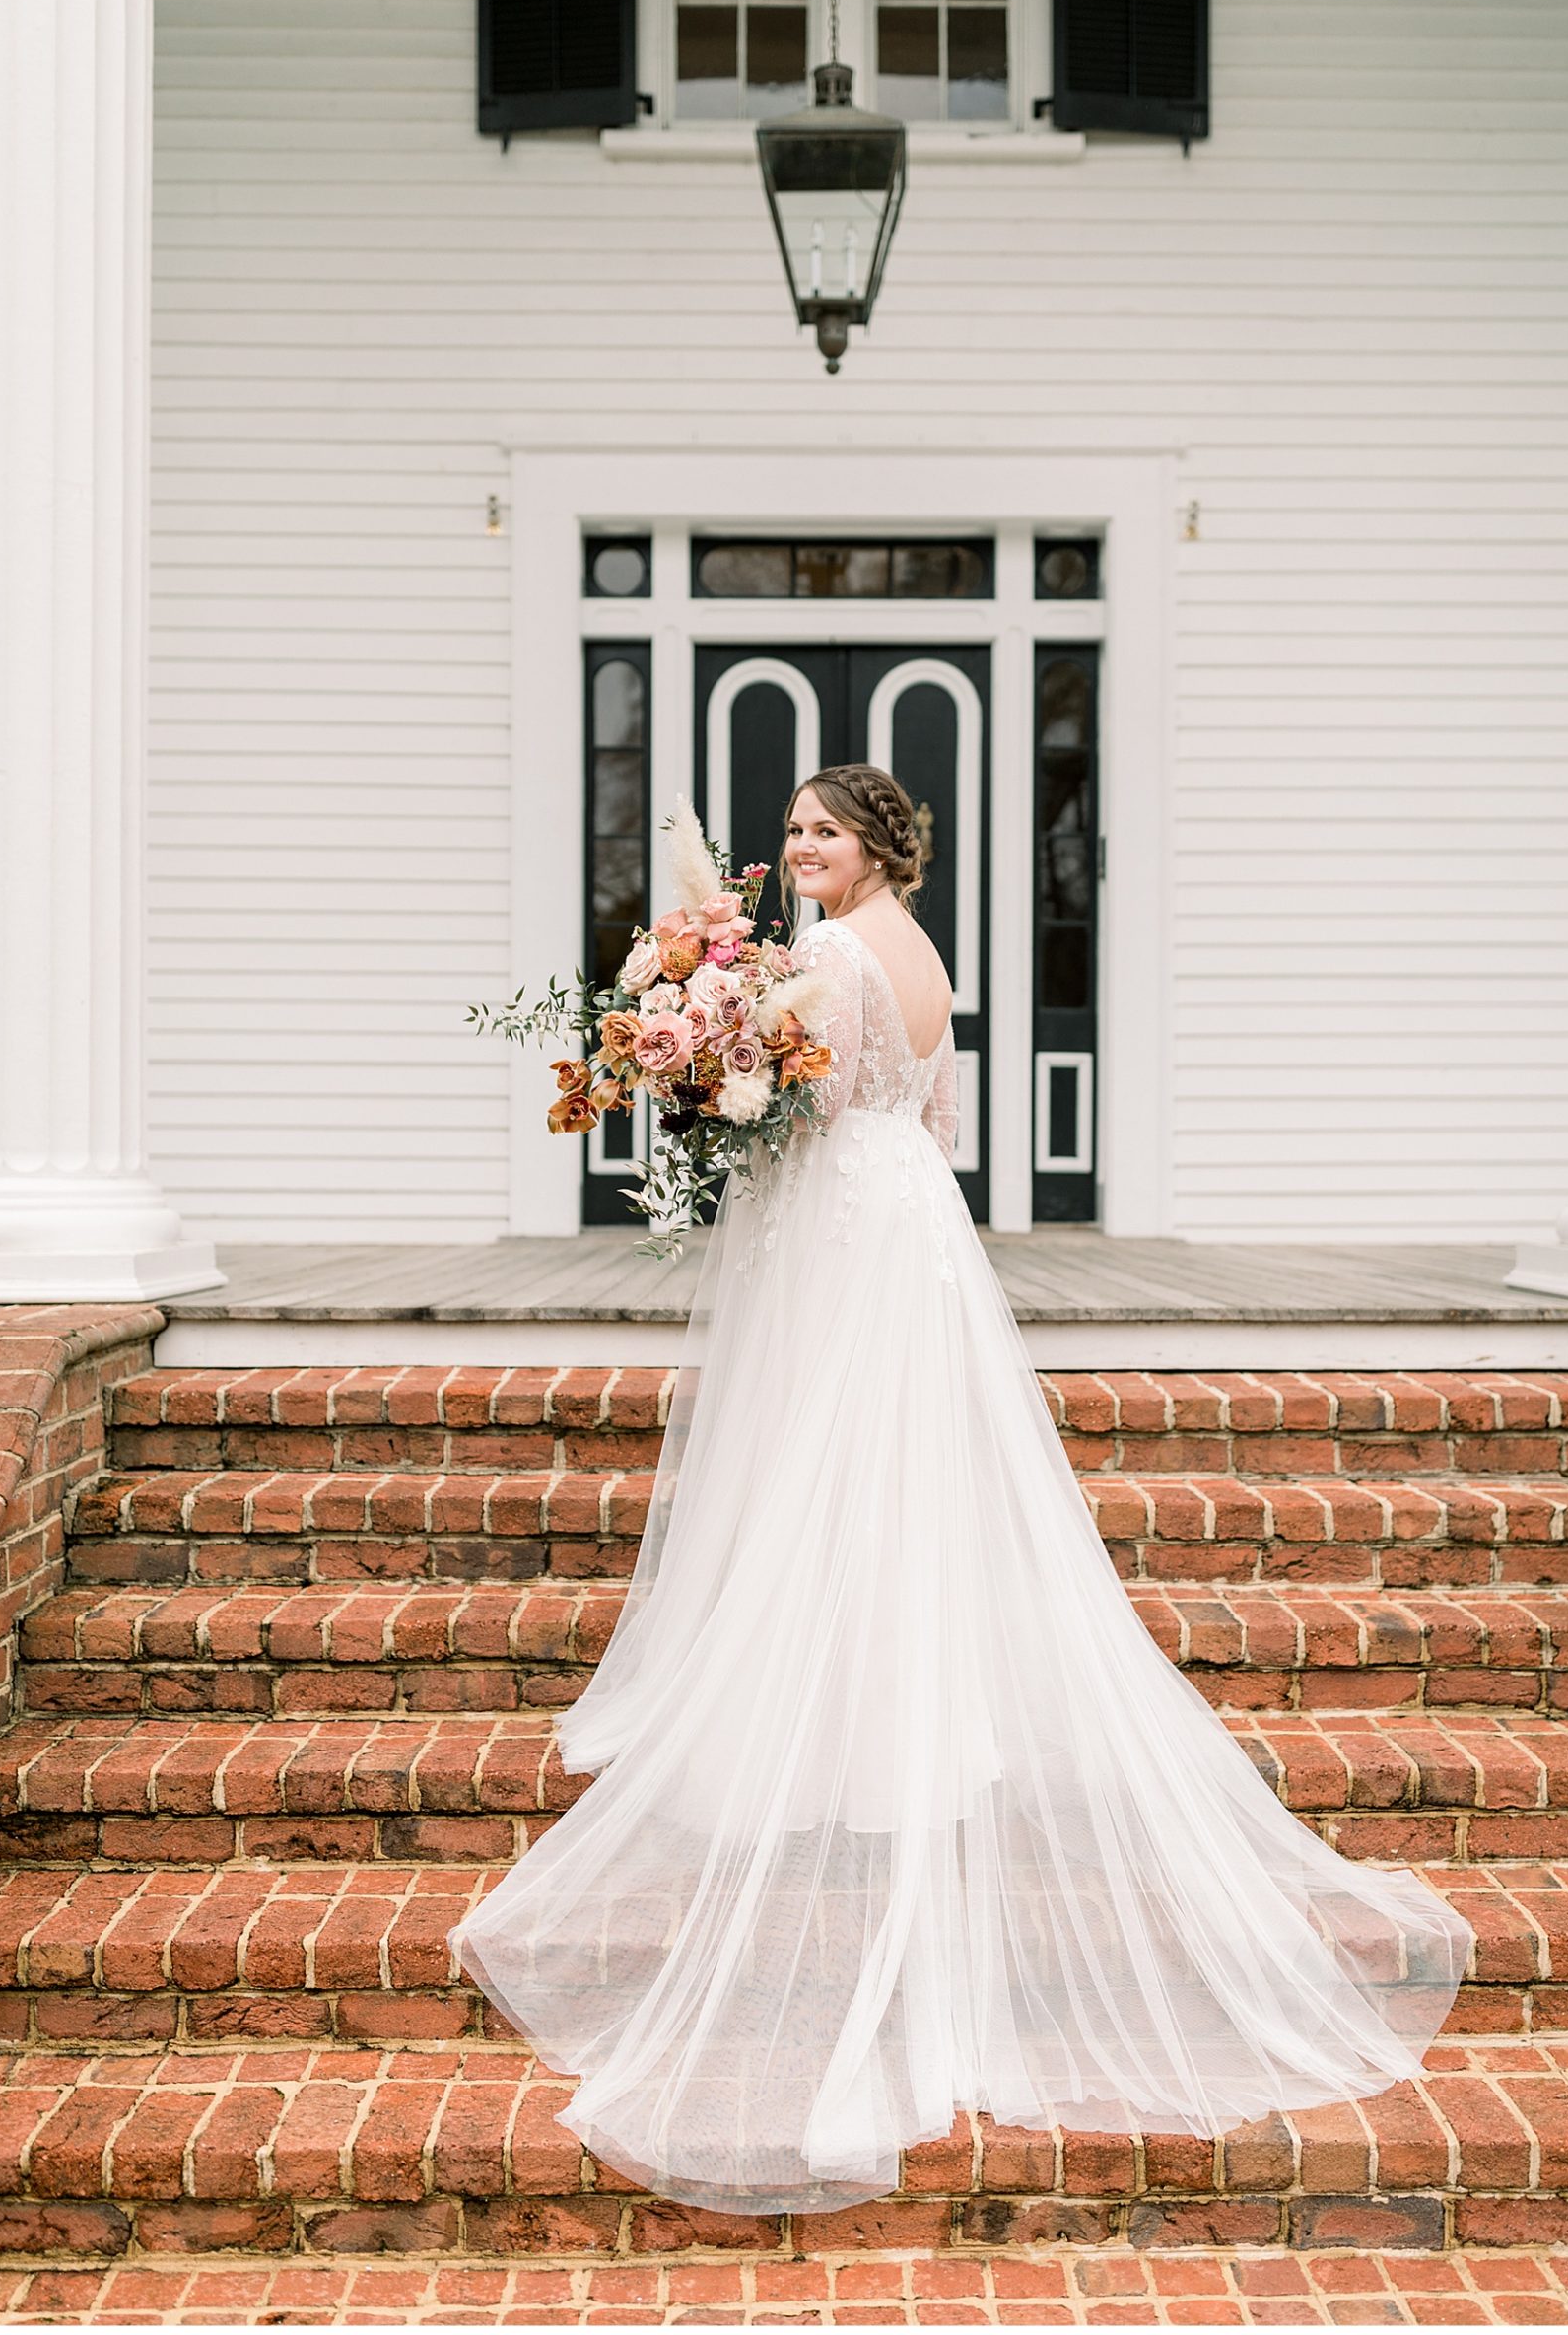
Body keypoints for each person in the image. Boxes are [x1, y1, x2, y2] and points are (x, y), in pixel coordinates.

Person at [449, 764, 1472, 2216]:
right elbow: (934, 1123)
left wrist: (709, 1079)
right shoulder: (923, 949)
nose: (798, 850)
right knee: (881, 1463)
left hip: (840, 1216)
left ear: (875, 848)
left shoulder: (825, 956)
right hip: (905, 1217)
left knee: (829, 1458)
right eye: (790, 832)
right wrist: (734, 1071)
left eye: (824, 833)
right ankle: (878, 1688)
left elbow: (793, 1102)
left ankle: (836, 1711)